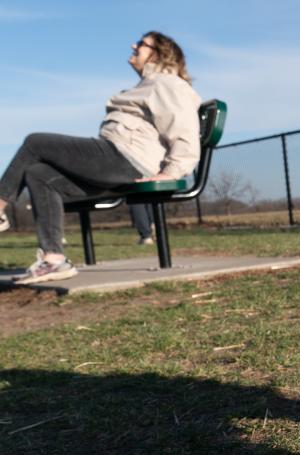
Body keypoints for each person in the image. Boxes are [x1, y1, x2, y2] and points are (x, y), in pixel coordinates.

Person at [0, 31, 201, 283]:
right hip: (118, 162)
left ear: (158, 54)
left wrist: (171, 172)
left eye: (141, 43)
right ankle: (54, 260)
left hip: (126, 159)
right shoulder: (147, 86)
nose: (134, 45)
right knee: (38, 174)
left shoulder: (167, 83)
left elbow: (184, 131)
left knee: (35, 142)